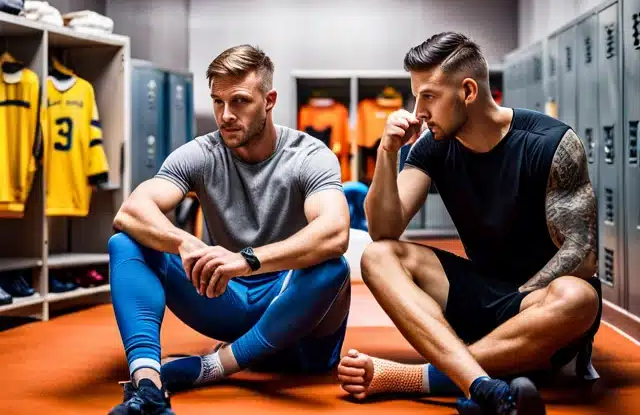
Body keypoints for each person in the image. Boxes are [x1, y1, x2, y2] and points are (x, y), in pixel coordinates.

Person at [337, 32, 601, 415]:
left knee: (579, 296)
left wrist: (522, 303)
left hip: (539, 302)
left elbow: (583, 253)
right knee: (378, 257)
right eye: (416, 97)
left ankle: (419, 376)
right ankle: (482, 383)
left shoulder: (550, 142)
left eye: (428, 96)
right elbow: (383, 231)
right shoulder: (433, 144)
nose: (418, 111)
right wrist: (387, 152)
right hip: (482, 293)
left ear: (468, 91)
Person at [108, 45, 352, 415]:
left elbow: (335, 232)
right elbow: (131, 210)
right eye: (218, 101)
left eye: (239, 101)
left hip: (299, 322)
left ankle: (212, 368)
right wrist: (185, 243)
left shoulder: (308, 155)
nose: (225, 115)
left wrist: (247, 260)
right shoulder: (202, 153)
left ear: (269, 100)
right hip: (227, 298)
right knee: (127, 242)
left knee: (334, 267)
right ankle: (148, 384)